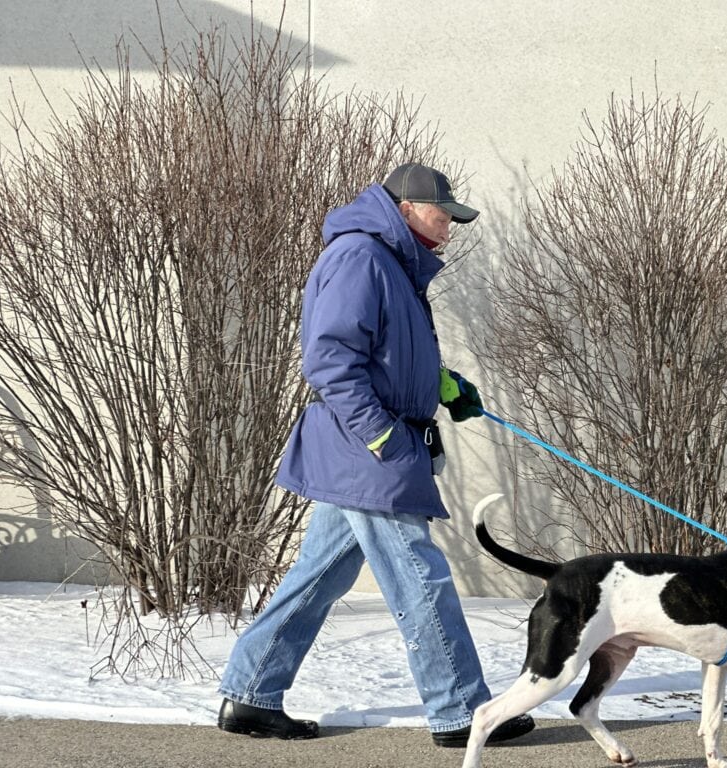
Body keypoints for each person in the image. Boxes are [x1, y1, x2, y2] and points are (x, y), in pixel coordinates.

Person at [216, 163, 535, 747]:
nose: (450, 225)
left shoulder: (392, 262)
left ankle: (251, 693)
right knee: (421, 578)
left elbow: (390, 354)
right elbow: (330, 361)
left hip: (369, 446)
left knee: (317, 579)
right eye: (444, 213)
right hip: (367, 448)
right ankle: (461, 710)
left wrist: (442, 385)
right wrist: (380, 435)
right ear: (407, 209)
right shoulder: (361, 256)